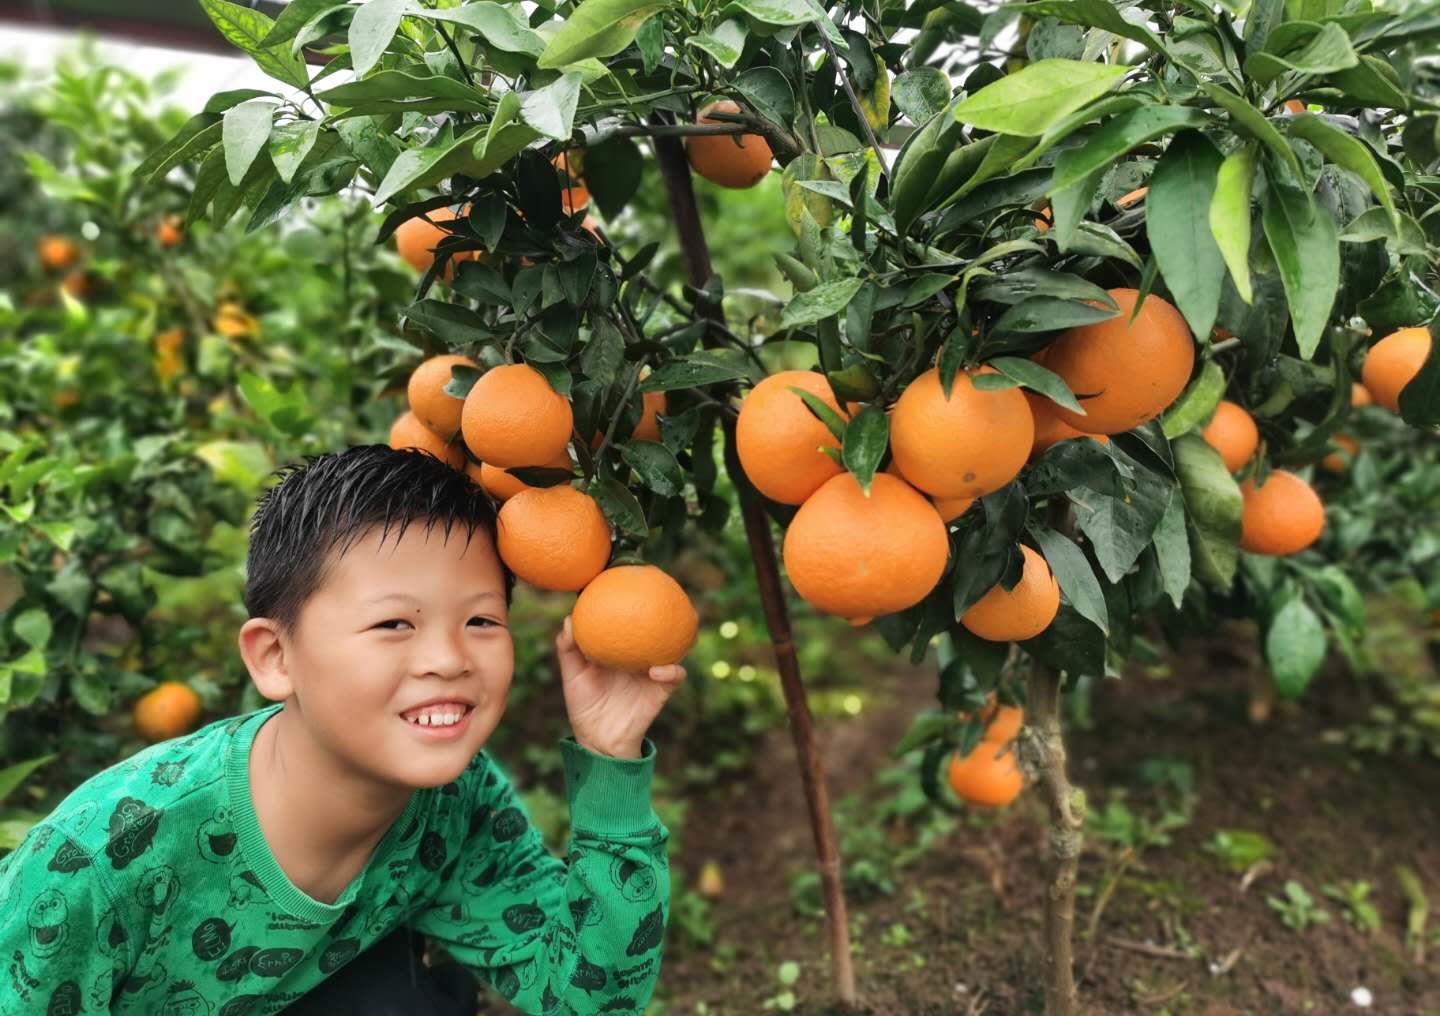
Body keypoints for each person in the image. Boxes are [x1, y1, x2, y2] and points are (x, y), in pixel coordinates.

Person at [0, 444, 685, 1015]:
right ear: (275, 656)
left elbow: (586, 997)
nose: (449, 659)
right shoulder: (101, 865)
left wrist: (610, 760)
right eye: (394, 623)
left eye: (480, 620)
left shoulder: (455, 804)